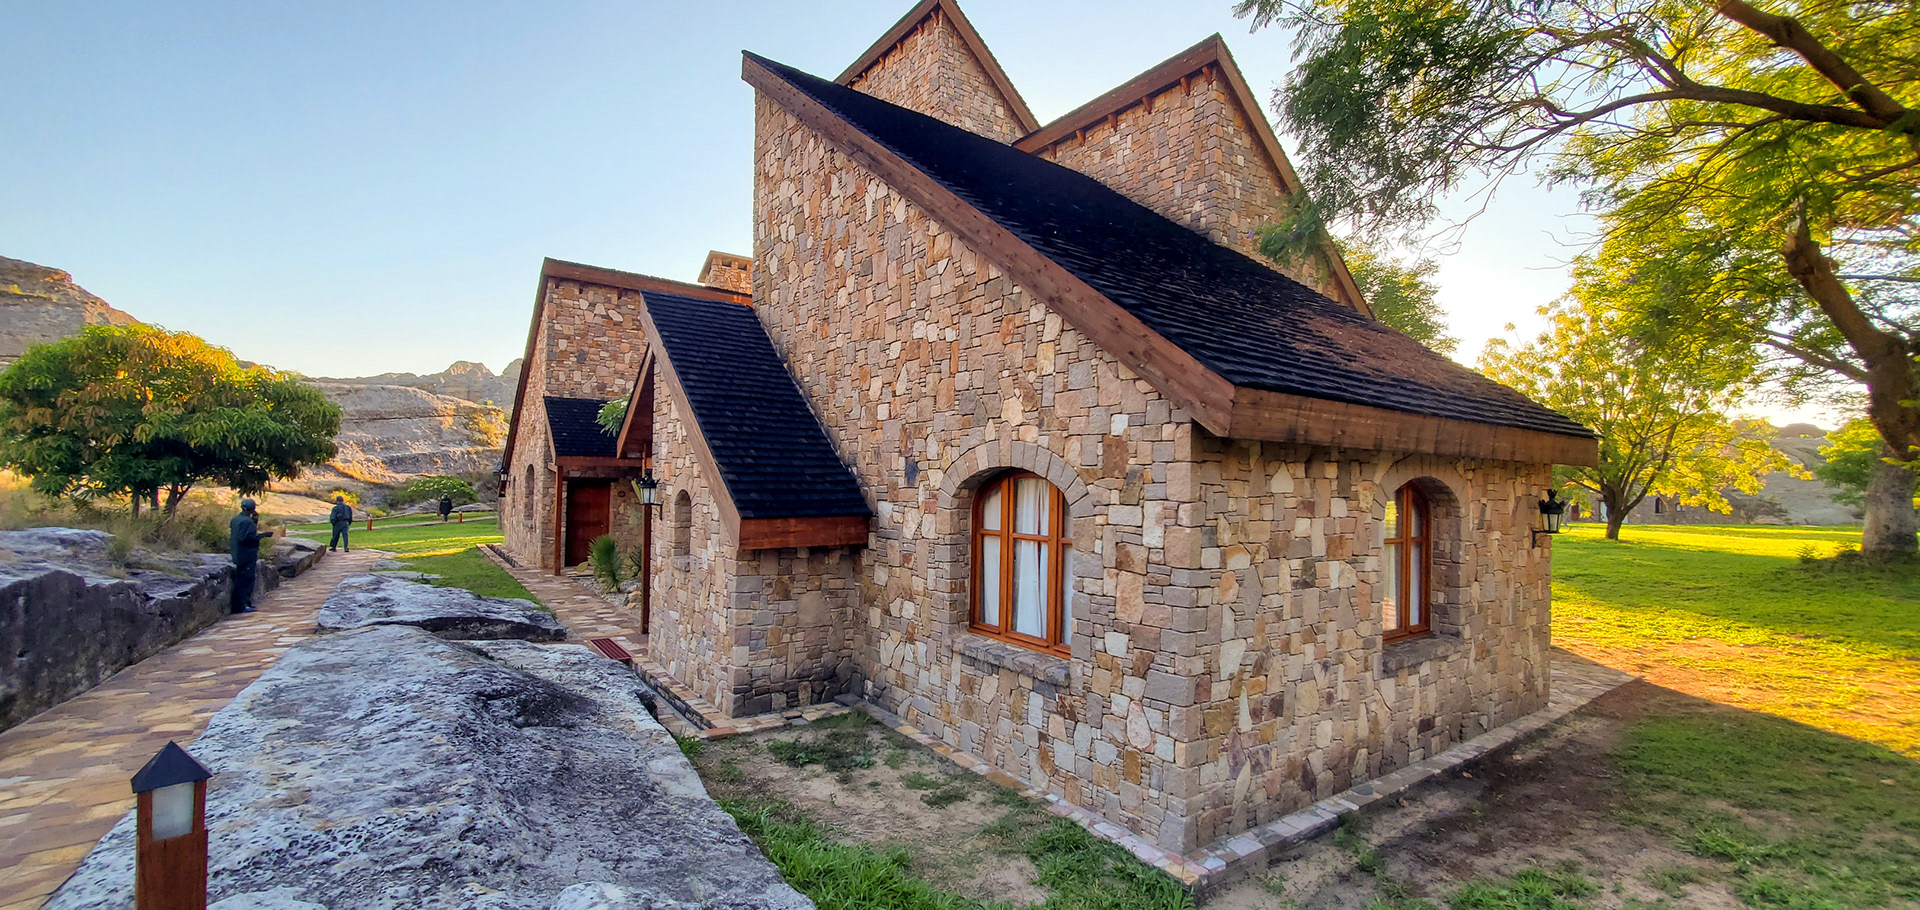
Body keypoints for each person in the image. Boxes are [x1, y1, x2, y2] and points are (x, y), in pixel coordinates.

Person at [229, 498, 274, 614]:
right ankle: (242, 605)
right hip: (246, 555)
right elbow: (246, 538)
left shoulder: (236, 519)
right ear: (252, 509)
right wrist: (263, 536)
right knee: (246, 580)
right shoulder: (246, 522)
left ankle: (244, 603)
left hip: (237, 553)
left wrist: (254, 522)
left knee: (242, 579)